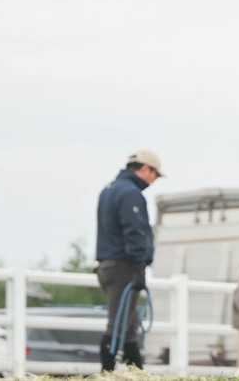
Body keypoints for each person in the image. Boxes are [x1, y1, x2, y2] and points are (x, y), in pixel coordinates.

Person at [95, 149, 165, 371]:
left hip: (108, 263)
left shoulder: (109, 190)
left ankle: (137, 373)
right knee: (118, 326)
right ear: (146, 169)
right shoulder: (130, 194)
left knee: (128, 325)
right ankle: (106, 373)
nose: (154, 181)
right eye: (155, 174)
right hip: (123, 266)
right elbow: (136, 232)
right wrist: (139, 266)